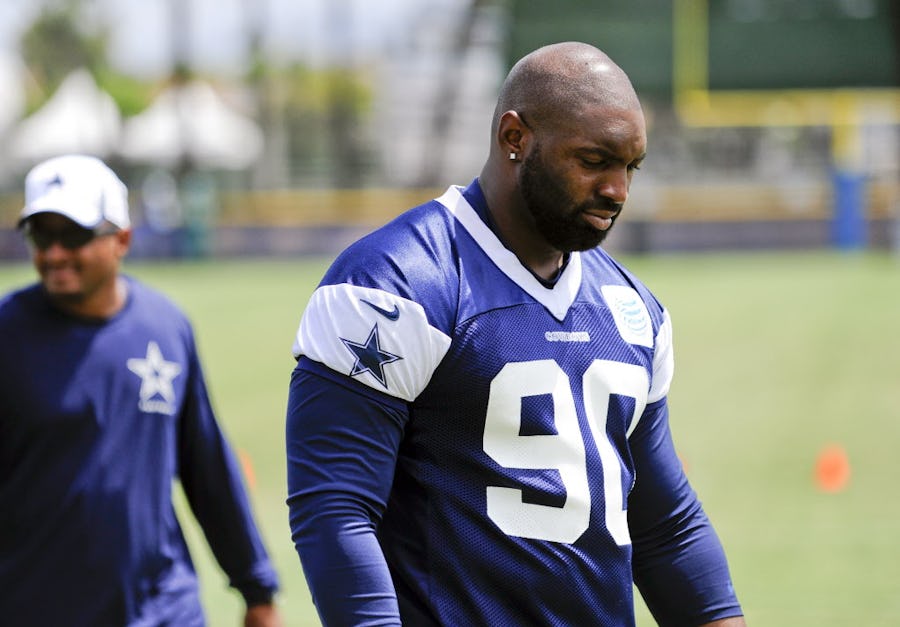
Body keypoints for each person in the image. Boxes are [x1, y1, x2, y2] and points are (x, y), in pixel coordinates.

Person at [286, 42, 746, 626]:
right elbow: (337, 510)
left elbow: (664, 525)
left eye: (630, 167)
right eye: (594, 160)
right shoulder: (395, 283)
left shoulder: (633, 310)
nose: (618, 191)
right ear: (515, 138)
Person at [0, 154, 283, 627]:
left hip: (164, 609)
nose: (54, 254)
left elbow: (207, 468)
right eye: (41, 236)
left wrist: (257, 589)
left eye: (74, 236)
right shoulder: (7, 336)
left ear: (122, 239)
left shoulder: (166, 326)